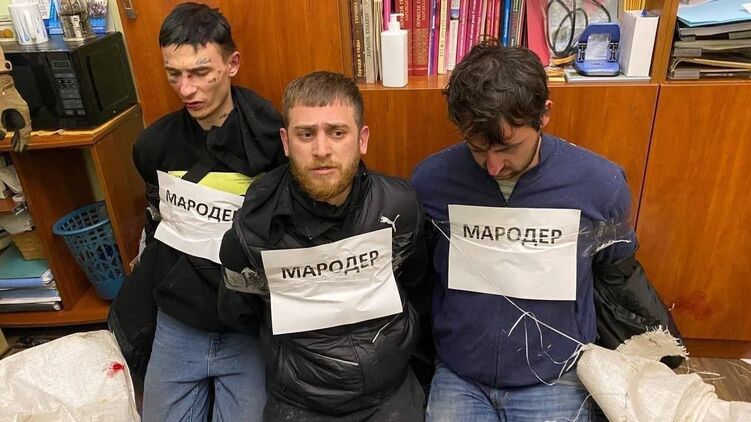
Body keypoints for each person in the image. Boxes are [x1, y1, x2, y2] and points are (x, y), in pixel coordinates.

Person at [411, 41, 639, 421]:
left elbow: (615, 272)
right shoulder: (431, 182)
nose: (493, 167)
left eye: (508, 148)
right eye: (477, 148)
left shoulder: (600, 185)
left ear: (544, 114)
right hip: (461, 371)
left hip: (557, 374)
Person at [107, 3, 285, 421]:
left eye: (201, 72)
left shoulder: (272, 139)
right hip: (180, 313)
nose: (186, 89)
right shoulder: (153, 146)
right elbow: (158, 222)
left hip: (246, 317)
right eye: (174, 74)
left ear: (232, 64)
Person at [217, 71, 428, 421]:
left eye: (337, 132)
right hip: (300, 400)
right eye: (305, 134)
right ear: (286, 142)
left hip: (390, 389)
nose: (321, 150)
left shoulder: (400, 206)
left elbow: (416, 285)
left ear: (362, 139)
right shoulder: (252, 230)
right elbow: (240, 313)